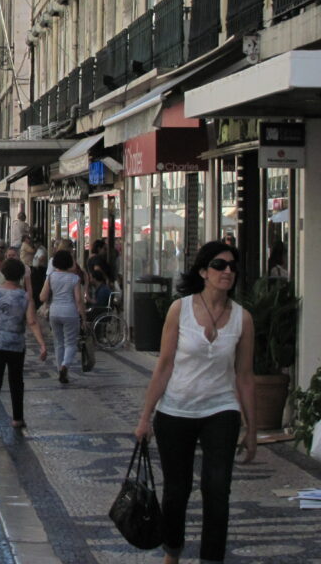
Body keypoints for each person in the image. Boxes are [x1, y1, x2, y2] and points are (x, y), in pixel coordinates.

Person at [134, 241, 255, 564]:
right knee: (176, 492)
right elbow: (164, 365)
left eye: (232, 266)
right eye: (219, 265)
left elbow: (244, 375)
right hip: (176, 409)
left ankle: (211, 559)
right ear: (203, 271)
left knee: (217, 491)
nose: (227, 271)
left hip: (222, 409)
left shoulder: (243, 319)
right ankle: (172, 551)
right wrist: (146, 418)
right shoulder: (180, 310)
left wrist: (252, 428)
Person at [0, 258, 47, 432]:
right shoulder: (24, 296)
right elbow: (32, 321)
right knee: (16, 380)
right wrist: (42, 344)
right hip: (15, 343)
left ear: (3, 273)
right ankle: (17, 418)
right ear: (21, 275)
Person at [39, 250, 86, 384]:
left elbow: (42, 296)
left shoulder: (51, 276)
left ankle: (60, 369)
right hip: (70, 312)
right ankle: (65, 365)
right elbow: (78, 300)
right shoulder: (74, 278)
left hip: (54, 312)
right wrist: (83, 316)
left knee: (58, 343)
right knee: (70, 342)